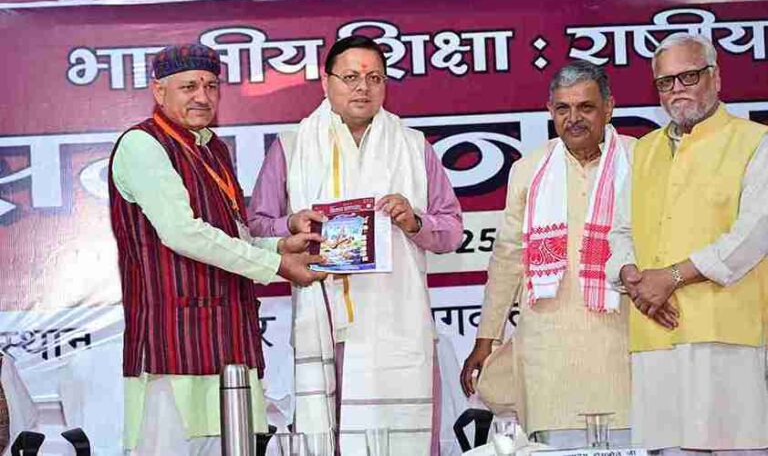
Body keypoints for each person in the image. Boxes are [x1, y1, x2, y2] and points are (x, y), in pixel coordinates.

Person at [249, 34, 463, 455]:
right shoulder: (292, 146)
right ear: (325, 82)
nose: (363, 87)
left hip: (396, 327)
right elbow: (256, 226)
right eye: (350, 77)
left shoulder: (413, 146)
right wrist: (291, 224)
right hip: (326, 326)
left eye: (374, 78)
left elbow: (452, 229)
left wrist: (414, 221)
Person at [108, 44, 325, 455]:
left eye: (211, 86)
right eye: (188, 86)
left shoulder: (212, 148)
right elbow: (182, 233)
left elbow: (232, 235)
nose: (202, 97)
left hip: (229, 340)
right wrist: (277, 264)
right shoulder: (143, 145)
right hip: (174, 344)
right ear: (159, 91)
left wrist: (281, 245)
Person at [607, 33, 768, 453]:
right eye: (666, 82)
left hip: (724, 335)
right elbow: (620, 231)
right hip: (655, 334)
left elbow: (752, 236)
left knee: (737, 445)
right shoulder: (643, 150)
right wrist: (633, 279)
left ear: (716, 77)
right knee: (669, 447)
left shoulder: (755, 142)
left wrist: (671, 278)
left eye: (689, 76)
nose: (677, 89)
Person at [460, 61, 634, 447]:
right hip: (549, 349)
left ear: (609, 107)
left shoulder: (638, 160)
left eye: (586, 107)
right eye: (563, 109)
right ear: (550, 111)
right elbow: (507, 258)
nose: (574, 119)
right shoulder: (530, 170)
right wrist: (486, 337)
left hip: (621, 342)